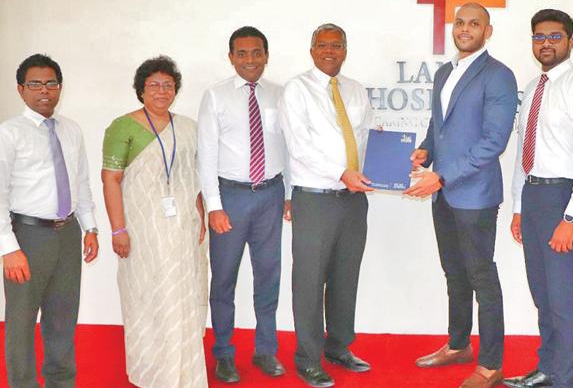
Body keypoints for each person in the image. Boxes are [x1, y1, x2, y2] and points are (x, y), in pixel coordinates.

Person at [406, 2, 518, 388]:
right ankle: (458, 345)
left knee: (481, 277)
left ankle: (490, 365)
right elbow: (439, 127)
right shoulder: (443, 73)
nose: (465, 29)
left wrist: (441, 176)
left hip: (475, 197)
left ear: (488, 31)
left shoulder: (499, 76)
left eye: (474, 23)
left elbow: (494, 142)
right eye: (460, 22)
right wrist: (426, 151)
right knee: (454, 272)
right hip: (445, 195)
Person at [504, 9, 573, 388]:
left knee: (562, 297)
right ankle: (546, 369)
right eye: (539, 37)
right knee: (542, 293)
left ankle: (563, 379)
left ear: (570, 41)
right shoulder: (534, 86)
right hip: (533, 198)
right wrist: (518, 207)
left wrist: (572, 217)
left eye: (554, 36)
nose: (546, 43)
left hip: (562, 200)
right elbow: (523, 152)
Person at [101, 56, 208, 388]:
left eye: (168, 85)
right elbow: (111, 179)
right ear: (140, 90)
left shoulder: (189, 127)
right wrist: (118, 229)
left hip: (184, 230)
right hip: (142, 231)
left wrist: (201, 219)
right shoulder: (122, 126)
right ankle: (152, 373)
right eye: (153, 85)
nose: (162, 91)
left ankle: (186, 374)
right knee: (148, 297)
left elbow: (195, 179)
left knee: (186, 294)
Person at [278, 23, 373, 388]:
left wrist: (393, 164)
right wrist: (342, 173)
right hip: (315, 199)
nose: (329, 51)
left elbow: (367, 138)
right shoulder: (296, 90)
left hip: (353, 200)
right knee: (309, 280)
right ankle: (307, 358)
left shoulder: (355, 89)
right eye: (322, 45)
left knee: (345, 276)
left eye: (336, 45)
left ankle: (338, 347)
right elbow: (300, 147)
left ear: (345, 50)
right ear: (312, 50)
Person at [198, 26, 290, 383]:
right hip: (230, 197)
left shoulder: (280, 95)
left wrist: (291, 194)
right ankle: (224, 353)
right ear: (231, 57)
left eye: (256, 53)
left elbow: (290, 147)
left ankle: (265, 350)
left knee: (269, 276)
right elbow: (206, 155)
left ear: (266, 55)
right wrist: (214, 206)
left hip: (270, 195)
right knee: (223, 280)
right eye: (242, 54)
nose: (250, 60)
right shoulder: (216, 96)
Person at [1, 53, 99, 387]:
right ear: (21, 89)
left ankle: (61, 383)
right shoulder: (8, 134)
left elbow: (81, 181)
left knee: (62, 318)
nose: (45, 90)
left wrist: (90, 227)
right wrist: (7, 249)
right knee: (21, 322)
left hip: (67, 234)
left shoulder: (71, 130)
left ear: (60, 87)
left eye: (51, 83)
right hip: (26, 236)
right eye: (36, 84)